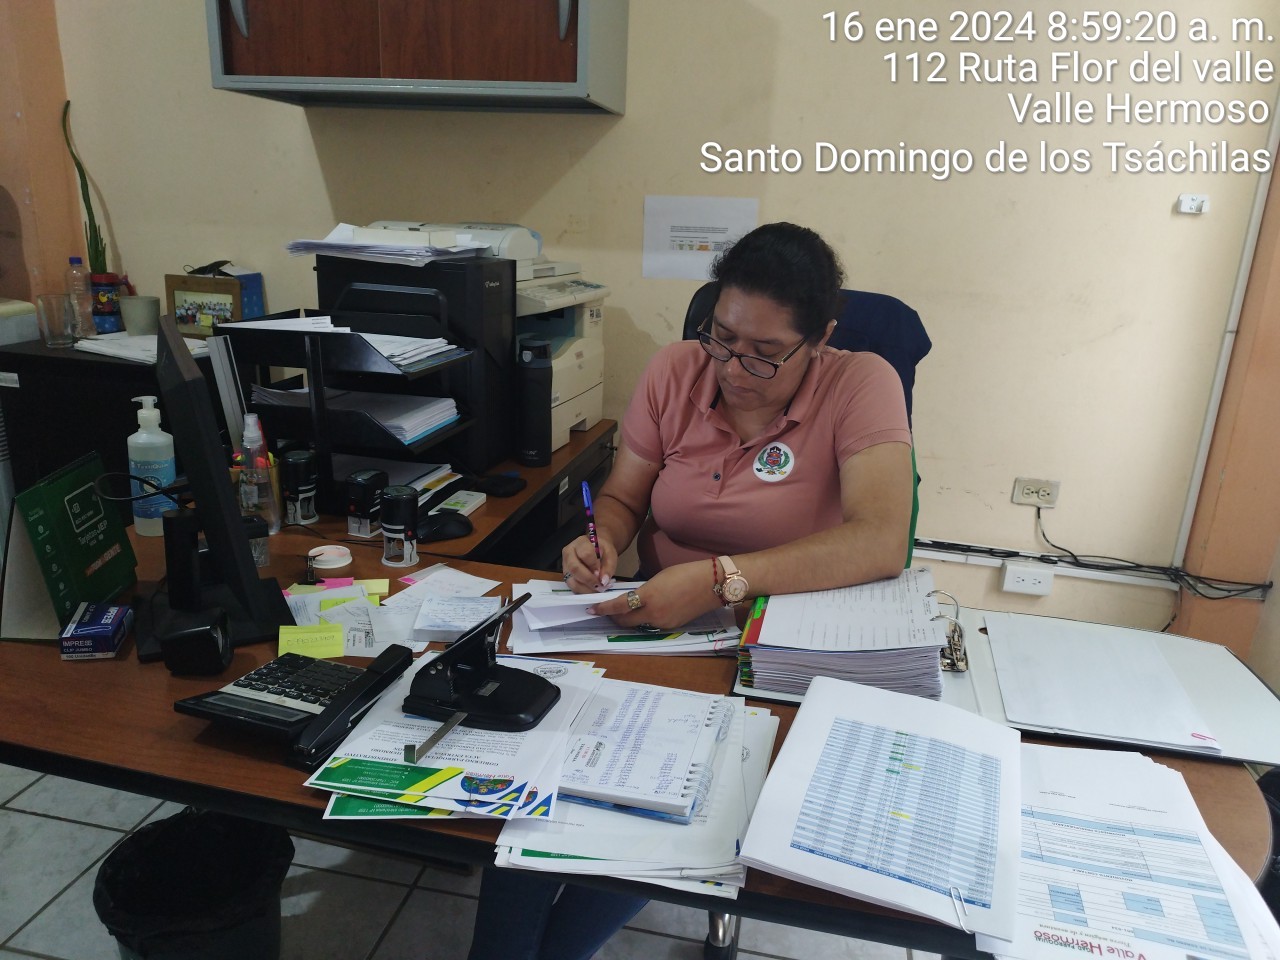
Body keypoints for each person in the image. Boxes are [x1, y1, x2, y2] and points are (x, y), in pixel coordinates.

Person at [466, 221, 914, 960]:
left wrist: (718, 579)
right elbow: (622, 497)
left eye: (765, 353)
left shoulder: (861, 382)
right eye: (722, 338)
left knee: (658, 804)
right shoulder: (676, 371)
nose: (734, 367)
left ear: (820, 339)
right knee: (542, 790)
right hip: (655, 628)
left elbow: (880, 539)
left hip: (777, 651)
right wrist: (602, 540)